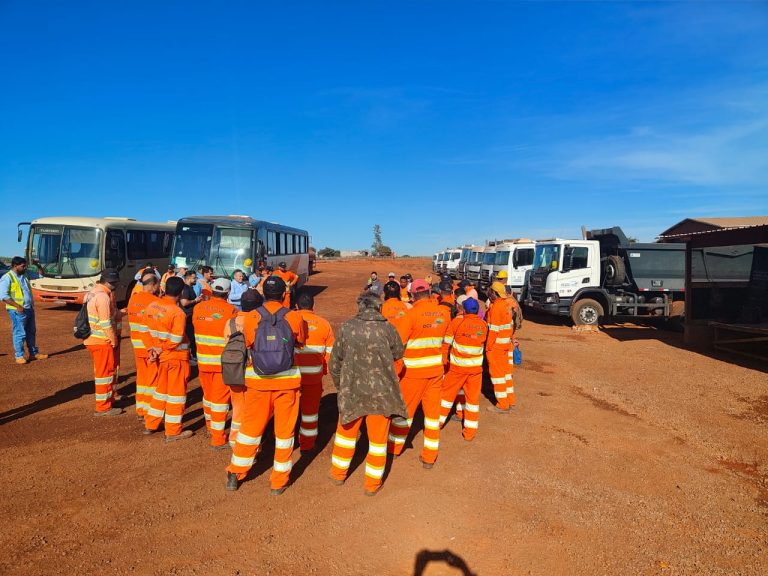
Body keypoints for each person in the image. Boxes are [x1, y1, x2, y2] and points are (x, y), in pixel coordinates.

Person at [225, 276, 307, 494]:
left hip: (258, 382)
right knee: (284, 433)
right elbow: (300, 342)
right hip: (287, 383)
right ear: (283, 294)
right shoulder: (294, 317)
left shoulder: (251, 317)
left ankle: (235, 472)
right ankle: (278, 482)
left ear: (264, 295)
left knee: (250, 429)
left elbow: (250, 343)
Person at [328, 292, 408, 496]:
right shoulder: (388, 328)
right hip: (381, 395)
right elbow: (399, 354)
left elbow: (335, 362)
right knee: (378, 441)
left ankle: (338, 475)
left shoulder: (347, 328)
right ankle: (371, 485)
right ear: (378, 307)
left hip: (352, 393)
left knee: (345, 435)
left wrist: (342, 386)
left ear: (360, 306)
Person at [387, 279, 451, 469]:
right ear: (430, 292)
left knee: (405, 413)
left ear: (413, 295)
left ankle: (394, 448)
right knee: (432, 416)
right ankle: (430, 456)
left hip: (413, 373)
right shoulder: (444, 313)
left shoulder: (410, 314)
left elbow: (397, 344)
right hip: (435, 372)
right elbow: (446, 342)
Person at [143, 276, 194, 442]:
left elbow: (144, 330)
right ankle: (172, 431)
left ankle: (151, 424)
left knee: (161, 391)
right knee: (176, 395)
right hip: (175, 358)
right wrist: (159, 348)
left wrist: (152, 349)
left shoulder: (152, 306)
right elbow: (176, 339)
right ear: (180, 293)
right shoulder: (177, 313)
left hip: (161, 356)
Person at [193, 277, 239, 448]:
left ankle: (209, 427)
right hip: (221, 364)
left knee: (208, 397)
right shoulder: (232, 311)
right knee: (220, 401)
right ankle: (218, 439)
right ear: (227, 293)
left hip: (203, 362)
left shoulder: (198, 308)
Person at [440, 297, 487, 441]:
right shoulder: (483, 325)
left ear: (464, 309)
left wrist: (444, 361)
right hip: (475, 371)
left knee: (446, 397)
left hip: (457, 369)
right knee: (472, 401)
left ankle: (436, 423)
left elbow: (446, 343)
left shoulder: (457, 322)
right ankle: (469, 433)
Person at [294, 291, 335, 453]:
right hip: (314, 377)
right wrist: (323, 368)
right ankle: (307, 444)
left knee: (288, 410)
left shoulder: (289, 320)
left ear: (296, 306)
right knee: (310, 412)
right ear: (313, 306)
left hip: (291, 376)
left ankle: (284, 440)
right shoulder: (324, 324)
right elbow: (331, 351)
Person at [223, 289, 264, 448]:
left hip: (233, 370)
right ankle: (251, 445)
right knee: (253, 411)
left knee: (238, 409)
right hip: (253, 372)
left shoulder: (230, 322)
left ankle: (234, 440)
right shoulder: (259, 321)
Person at [83, 268, 123, 416]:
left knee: (103, 373)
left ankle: (108, 400)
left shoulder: (91, 293)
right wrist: (114, 340)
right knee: (104, 374)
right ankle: (103, 407)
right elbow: (106, 323)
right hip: (101, 341)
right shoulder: (103, 298)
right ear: (111, 282)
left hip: (92, 339)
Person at [126, 271, 161, 418]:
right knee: (152, 379)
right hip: (150, 347)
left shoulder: (133, 299)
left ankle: (140, 408)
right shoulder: (154, 303)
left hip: (137, 345)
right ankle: (148, 410)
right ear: (153, 286)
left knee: (141, 378)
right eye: (158, 285)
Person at [1, 256, 47, 364]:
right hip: (17, 310)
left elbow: (41, 274)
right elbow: (3, 296)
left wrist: (37, 265)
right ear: (15, 266)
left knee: (31, 332)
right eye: (22, 266)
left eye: (25, 265)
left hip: (29, 308)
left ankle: (33, 354)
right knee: (19, 333)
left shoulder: (25, 274)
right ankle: (19, 356)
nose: (25, 267)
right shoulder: (7, 277)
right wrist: (17, 306)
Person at [486, 281, 514, 413]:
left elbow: (493, 330)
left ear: (494, 293)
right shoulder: (507, 304)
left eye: (490, 290)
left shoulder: (496, 307)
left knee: (497, 375)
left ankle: (503, 404)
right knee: (505, 374)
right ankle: (510, 400)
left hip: (496, 346)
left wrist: (488, 347)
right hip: (505, 344)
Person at [179, 270, 203, 365]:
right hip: (187, 317)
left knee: (190, 337)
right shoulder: (186, 288)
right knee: (188, 338)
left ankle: (190, 356)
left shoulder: (189, 287)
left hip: (190, 316)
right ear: (188, 278)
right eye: (194, 278)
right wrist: (196, 300)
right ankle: (187, 358)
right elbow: (184, 302)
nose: (196, 279)